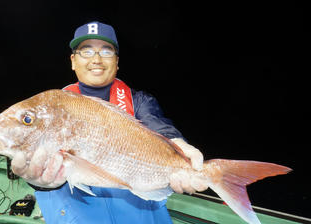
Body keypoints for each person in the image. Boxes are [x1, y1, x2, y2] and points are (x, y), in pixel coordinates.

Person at [11, 21, 206, 224]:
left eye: (106, 51)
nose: (96, 59)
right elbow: (48, 166)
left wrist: (180, 147)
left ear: (117, 61)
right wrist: (42, 183)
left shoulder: (139, 101)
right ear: (72, 61)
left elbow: (157, 124)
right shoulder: (56, 109)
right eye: (86, 51)